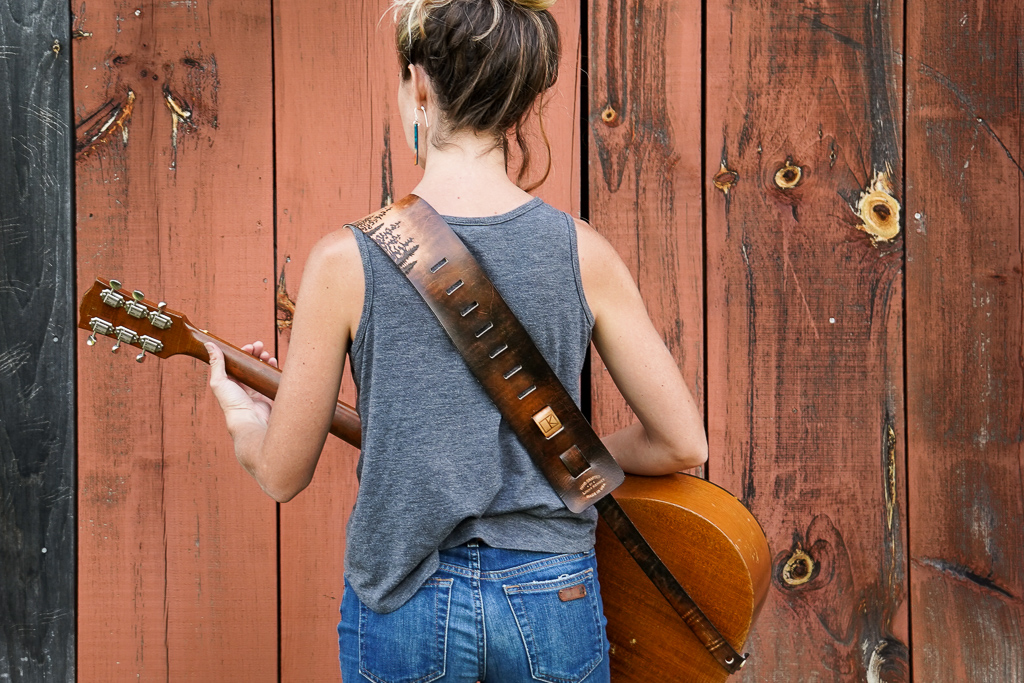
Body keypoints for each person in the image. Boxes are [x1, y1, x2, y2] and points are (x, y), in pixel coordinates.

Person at [206, 0, 708, 680]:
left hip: (405, 599)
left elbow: (282, 471)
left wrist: (243, 415)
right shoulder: (582, 253)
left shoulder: (343, 262)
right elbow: (683, 442)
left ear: (419, 84)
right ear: (527, 99)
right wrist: (559, 465)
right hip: (550, 596)